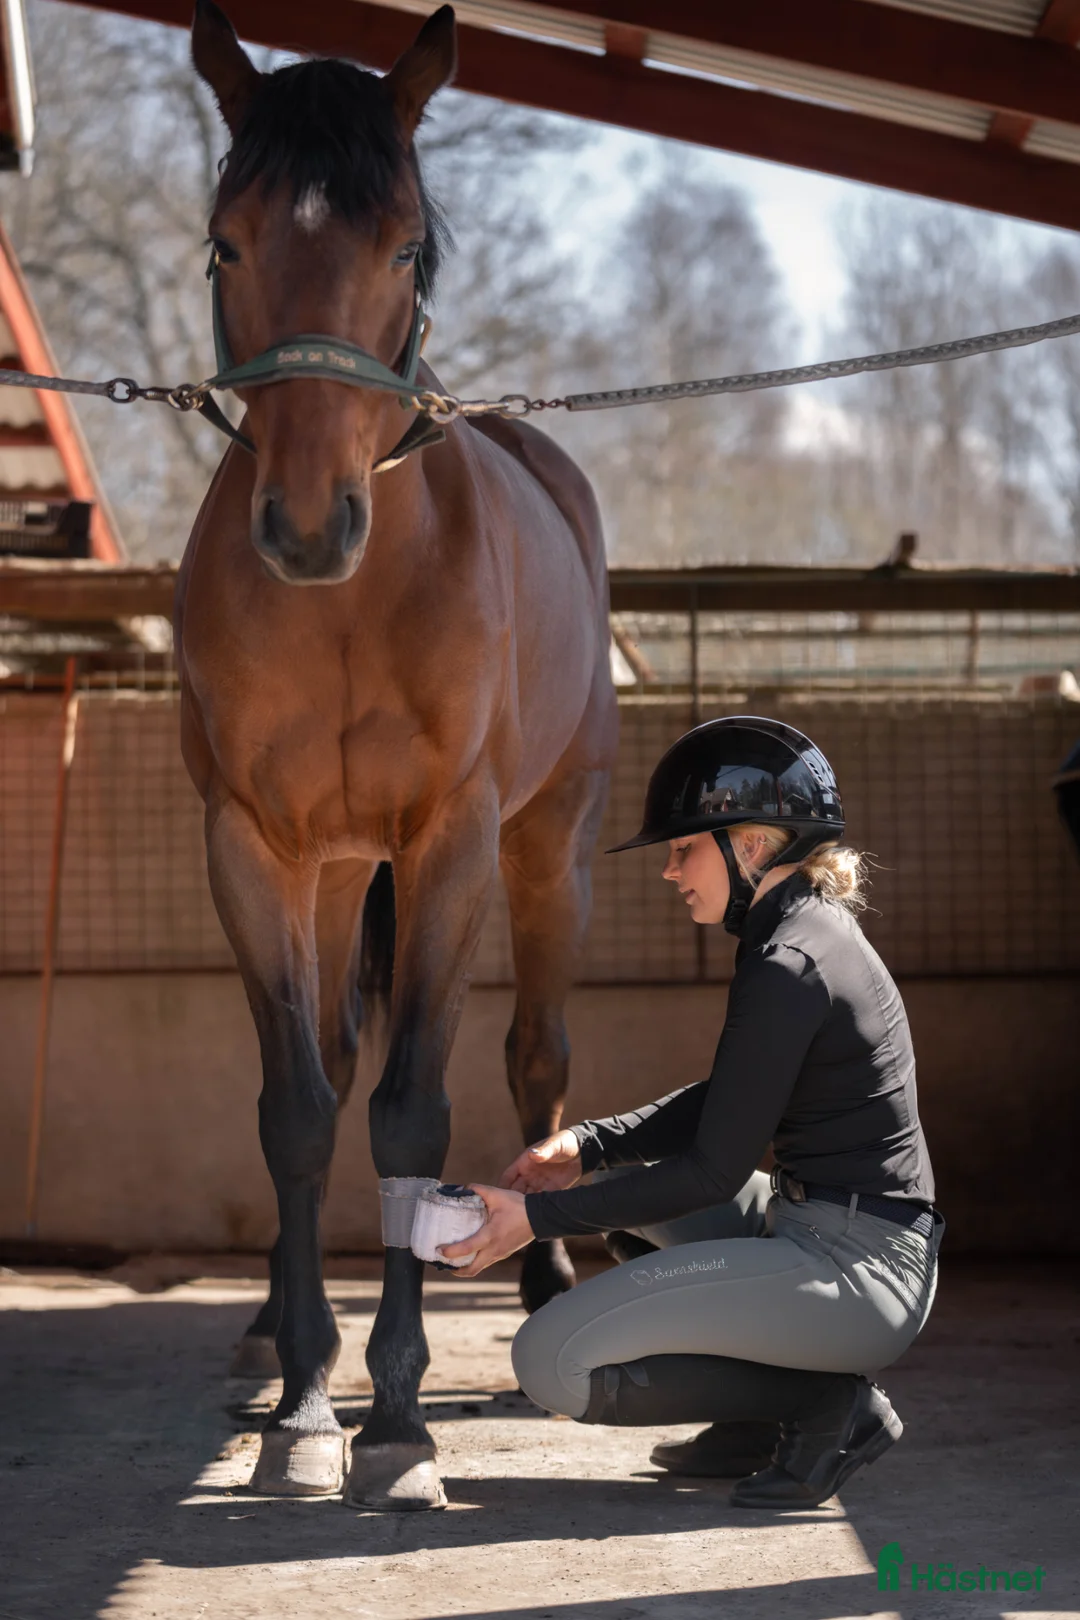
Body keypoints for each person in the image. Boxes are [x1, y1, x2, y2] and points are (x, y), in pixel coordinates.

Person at [441, 716, 946, 1509]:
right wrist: (590, 1143)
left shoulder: (789, 961)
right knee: (629, 1190)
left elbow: (713, 1169)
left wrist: (533, 1223)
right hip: (824, 1229)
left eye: (685, 849)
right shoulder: (799, 928)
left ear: (751, 845)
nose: (671, 871)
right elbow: (731, 1101)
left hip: (858, 1270)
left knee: (549, 1361)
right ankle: (756, 1421)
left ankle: (821, 1407)